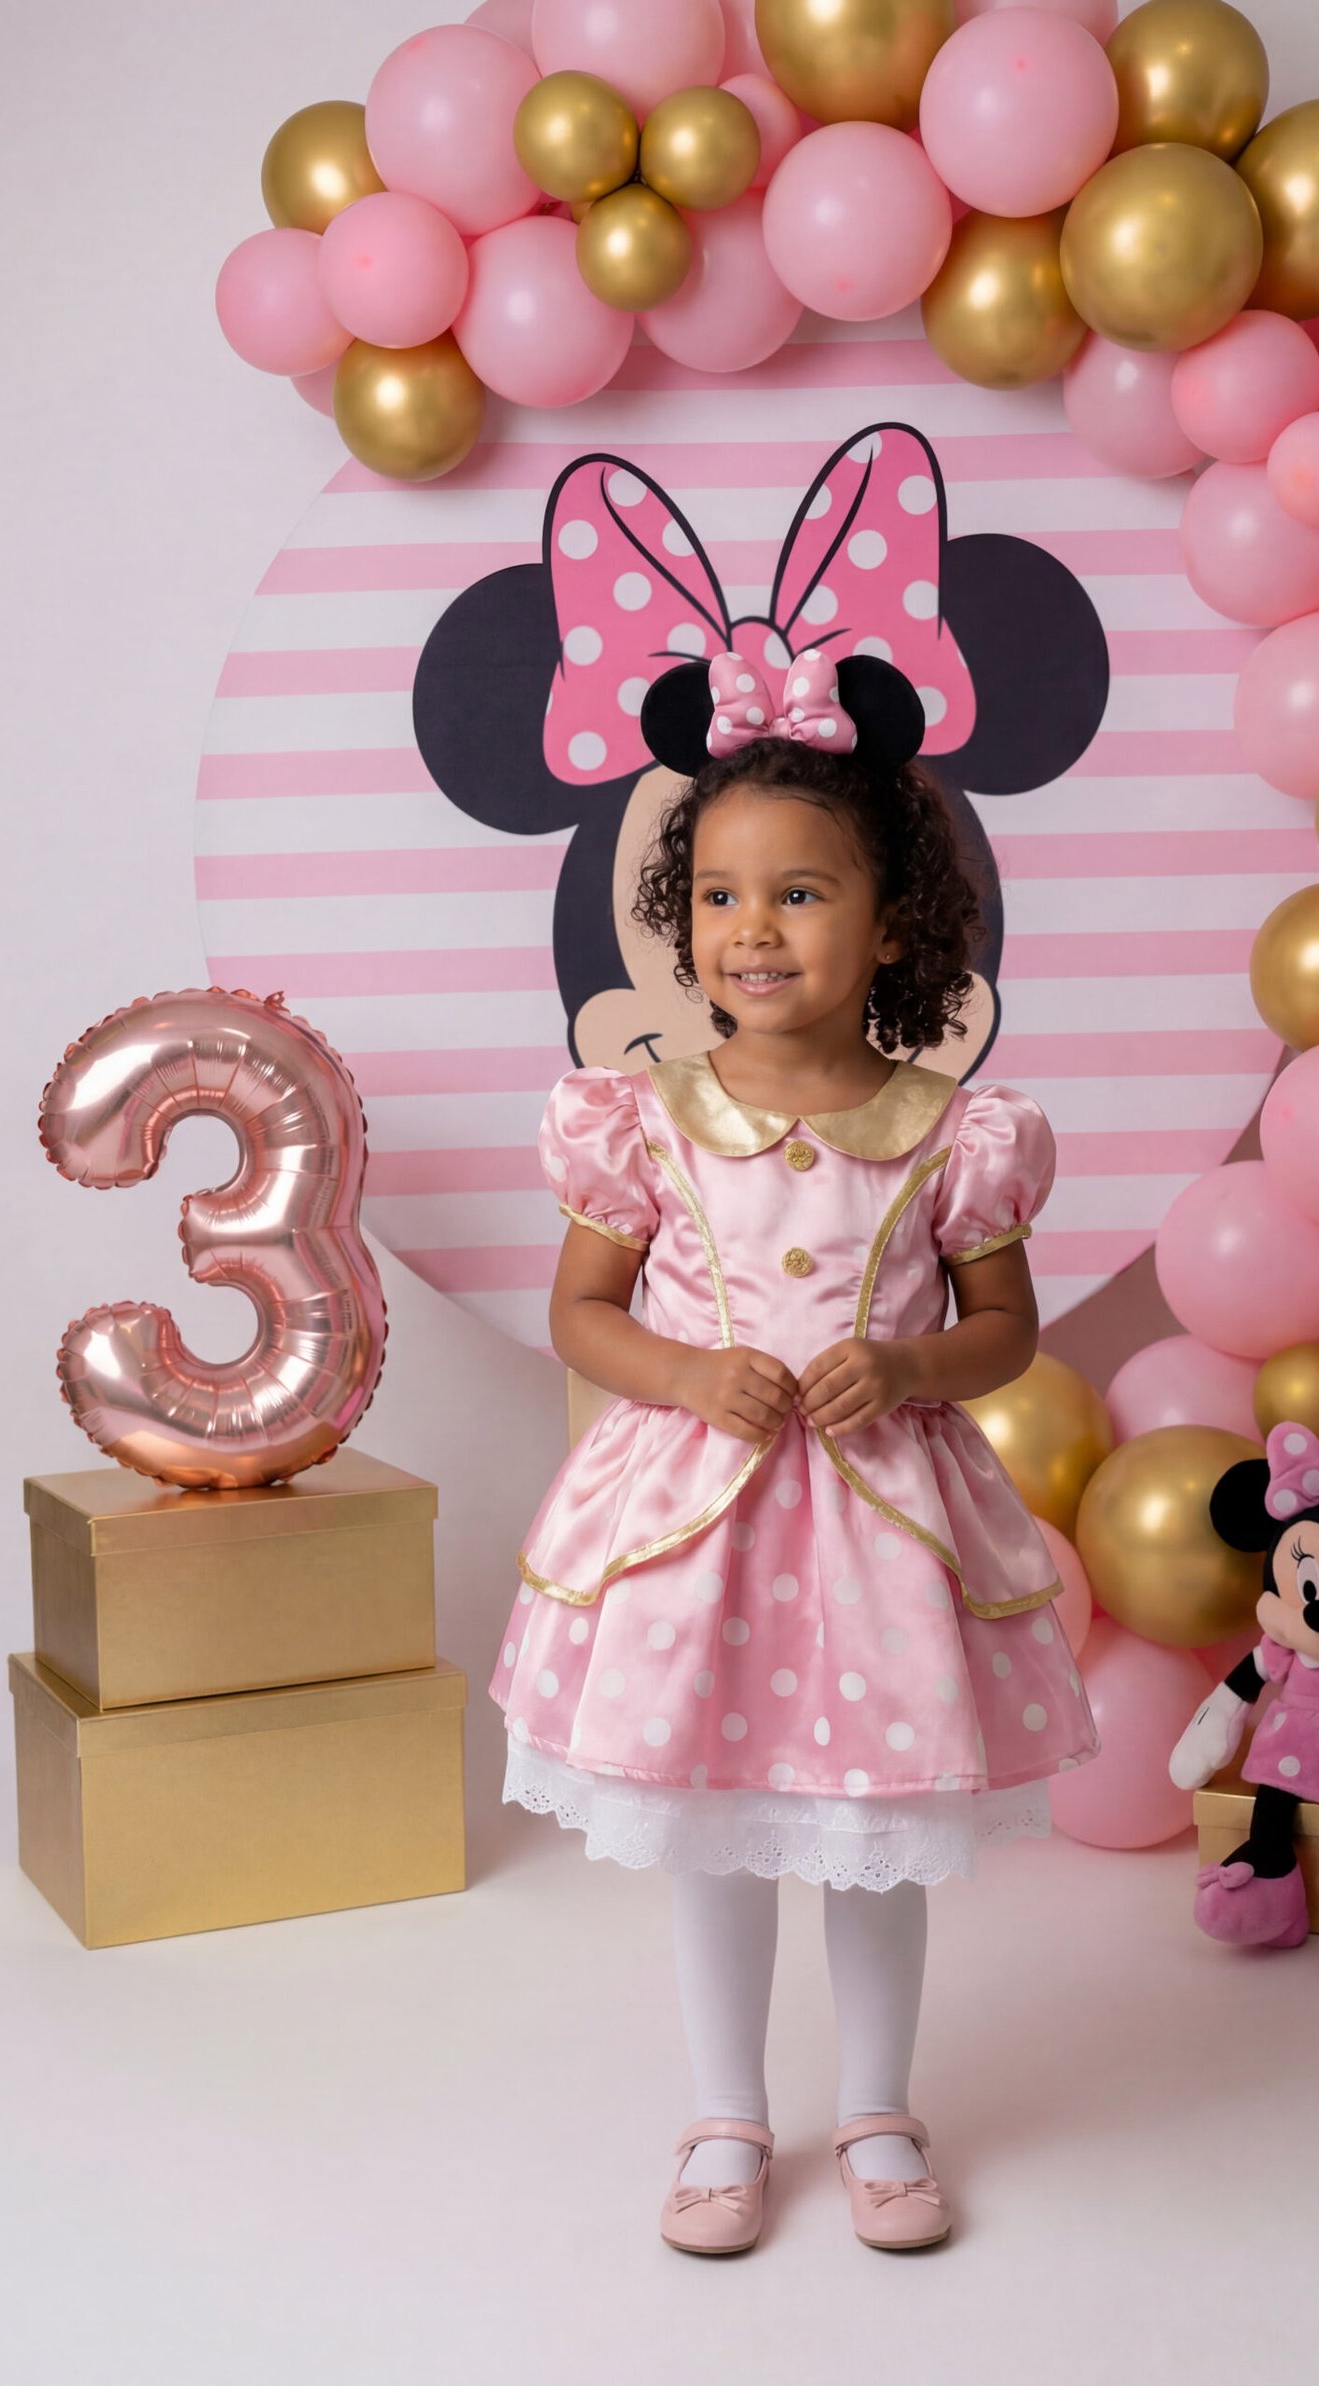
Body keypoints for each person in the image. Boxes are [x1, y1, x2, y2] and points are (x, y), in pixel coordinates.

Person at [490, 641, 1097, 2254]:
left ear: (892, 920)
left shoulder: (953, 1127)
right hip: (700, 1525)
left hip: (880, 1528)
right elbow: (581, 1313)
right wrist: (691, 1372)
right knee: (714, 1822)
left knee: (870, 1831)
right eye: (721, 896)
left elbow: (1005, 1328)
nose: (753, 928)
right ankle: (726, 2115)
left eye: (801, 893)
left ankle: (880, 2108)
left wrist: (906, 1365)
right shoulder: (643, 1117)